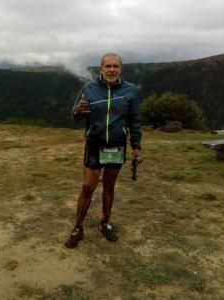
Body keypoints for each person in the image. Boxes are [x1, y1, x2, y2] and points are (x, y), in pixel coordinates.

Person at [65, 52, 142, 249]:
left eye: (115, 66)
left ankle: (104, 223)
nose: (111, 70)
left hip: (117, 144)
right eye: (108, 66)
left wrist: (136, 146)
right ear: (101, 68)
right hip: (94, 143)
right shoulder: (89, 88)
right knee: (88, 186)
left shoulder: (130, 90)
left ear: (120, 69)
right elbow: (74, 115)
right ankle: (78, 228)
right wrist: (78, 112)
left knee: (109, 186)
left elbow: (135, 121)